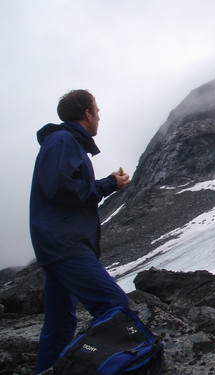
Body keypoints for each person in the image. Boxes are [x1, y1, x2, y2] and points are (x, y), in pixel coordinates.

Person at [30, 89, 131, 373]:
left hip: (57, 243)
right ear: (87, 114)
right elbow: (60, 188)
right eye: (97, 111)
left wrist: (108, 183)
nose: (99, 117)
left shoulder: (65, 143)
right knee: (114, 305)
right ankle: (109, 366)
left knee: (60, 324)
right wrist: (108, 184)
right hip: (66, 243)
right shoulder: (63, 141)